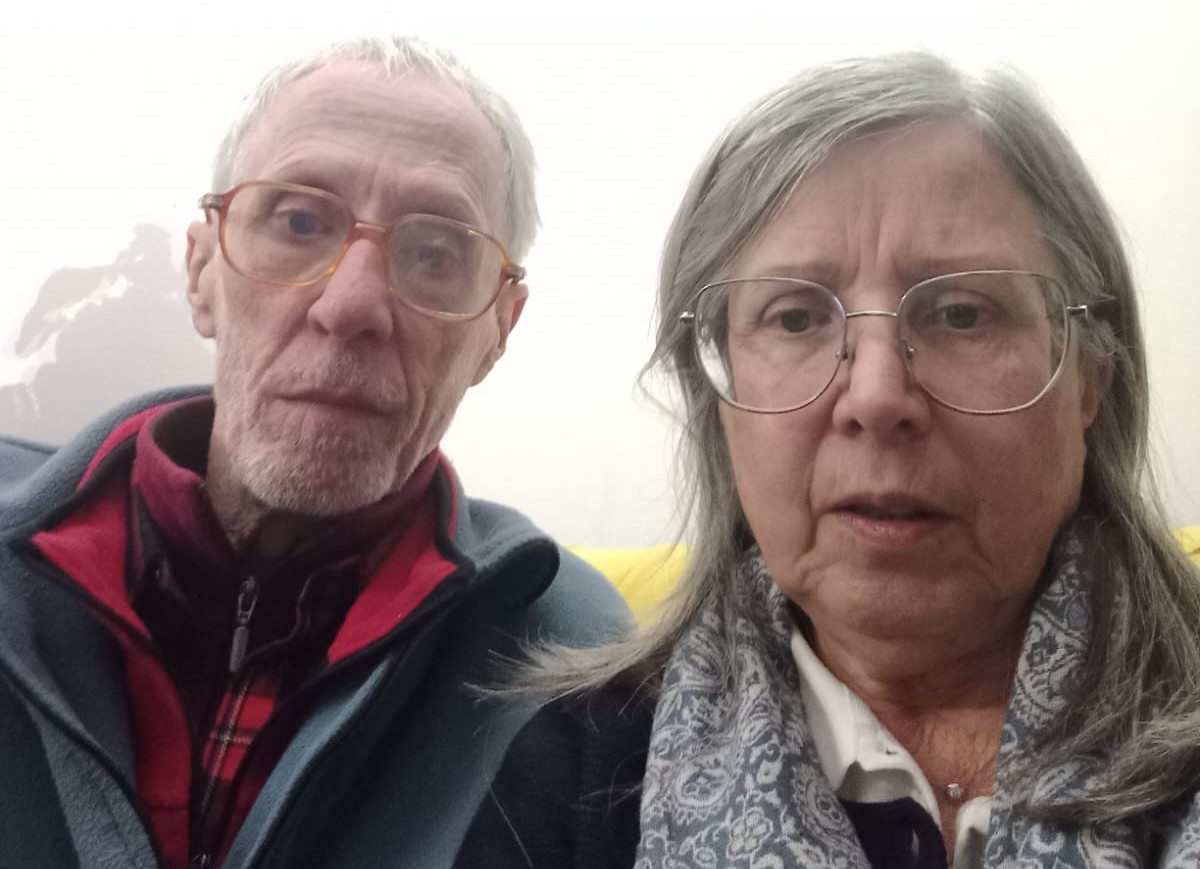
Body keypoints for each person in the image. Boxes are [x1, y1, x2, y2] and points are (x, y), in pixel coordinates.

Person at [459, 53, 1200, 869]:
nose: (876, 397)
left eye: (962, 312)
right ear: (719, 391)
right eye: (795, 318)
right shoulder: (577, 773)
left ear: (1090, 373)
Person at [0, 37, 629, 869]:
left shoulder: (578, 665)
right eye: (298, 221)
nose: (351, 304)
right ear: (201, 270)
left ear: (497, 331)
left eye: (435, 253)